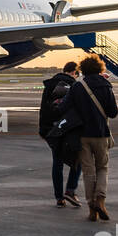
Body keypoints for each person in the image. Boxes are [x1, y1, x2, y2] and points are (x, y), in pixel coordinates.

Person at [66, 54, 118, 222]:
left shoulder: (77, 86)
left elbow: (65, 106)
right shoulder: (106, 85)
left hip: (82, 135)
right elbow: (113, 113)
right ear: (99, 68)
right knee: (102, 168)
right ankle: (100, 201)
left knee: (88, 172)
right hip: (101, 134)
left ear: (83, 69)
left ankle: (91, 209)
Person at [39, 60, 82, 207]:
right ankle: (70, 190)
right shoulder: (74, 86)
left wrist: (43, 130)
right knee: (77, 160)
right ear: (74, 72)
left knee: (57, 163)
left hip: (51, 130)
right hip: (69, 130)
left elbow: (43, 110)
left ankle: (59, 197)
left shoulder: (49, 85)